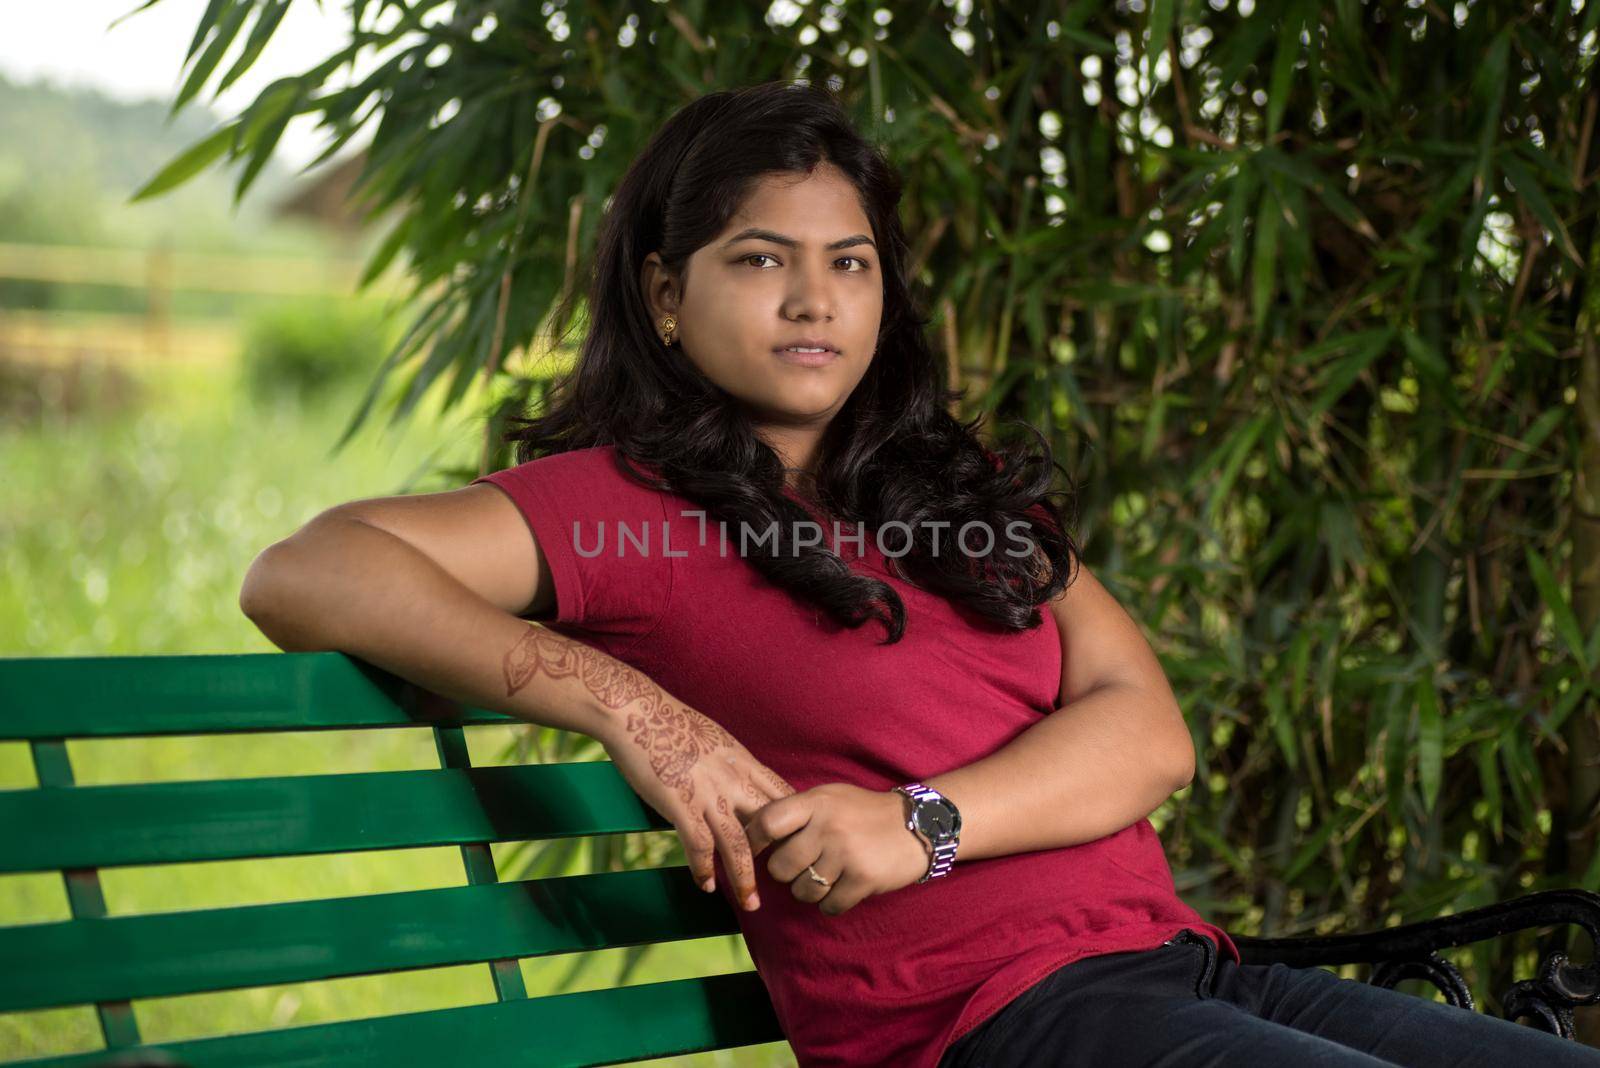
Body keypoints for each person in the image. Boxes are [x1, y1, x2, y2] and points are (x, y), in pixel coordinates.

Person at [239, 80, 1600, 1068]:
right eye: (759, 261)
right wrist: (631, 708)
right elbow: (307, 573)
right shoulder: (624, 507)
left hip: (1175, 967)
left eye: (850, 263)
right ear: (664, 296)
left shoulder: (949, 497)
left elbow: (1146, 732)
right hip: (984, 1023)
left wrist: (923, 823)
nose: (814, 300)